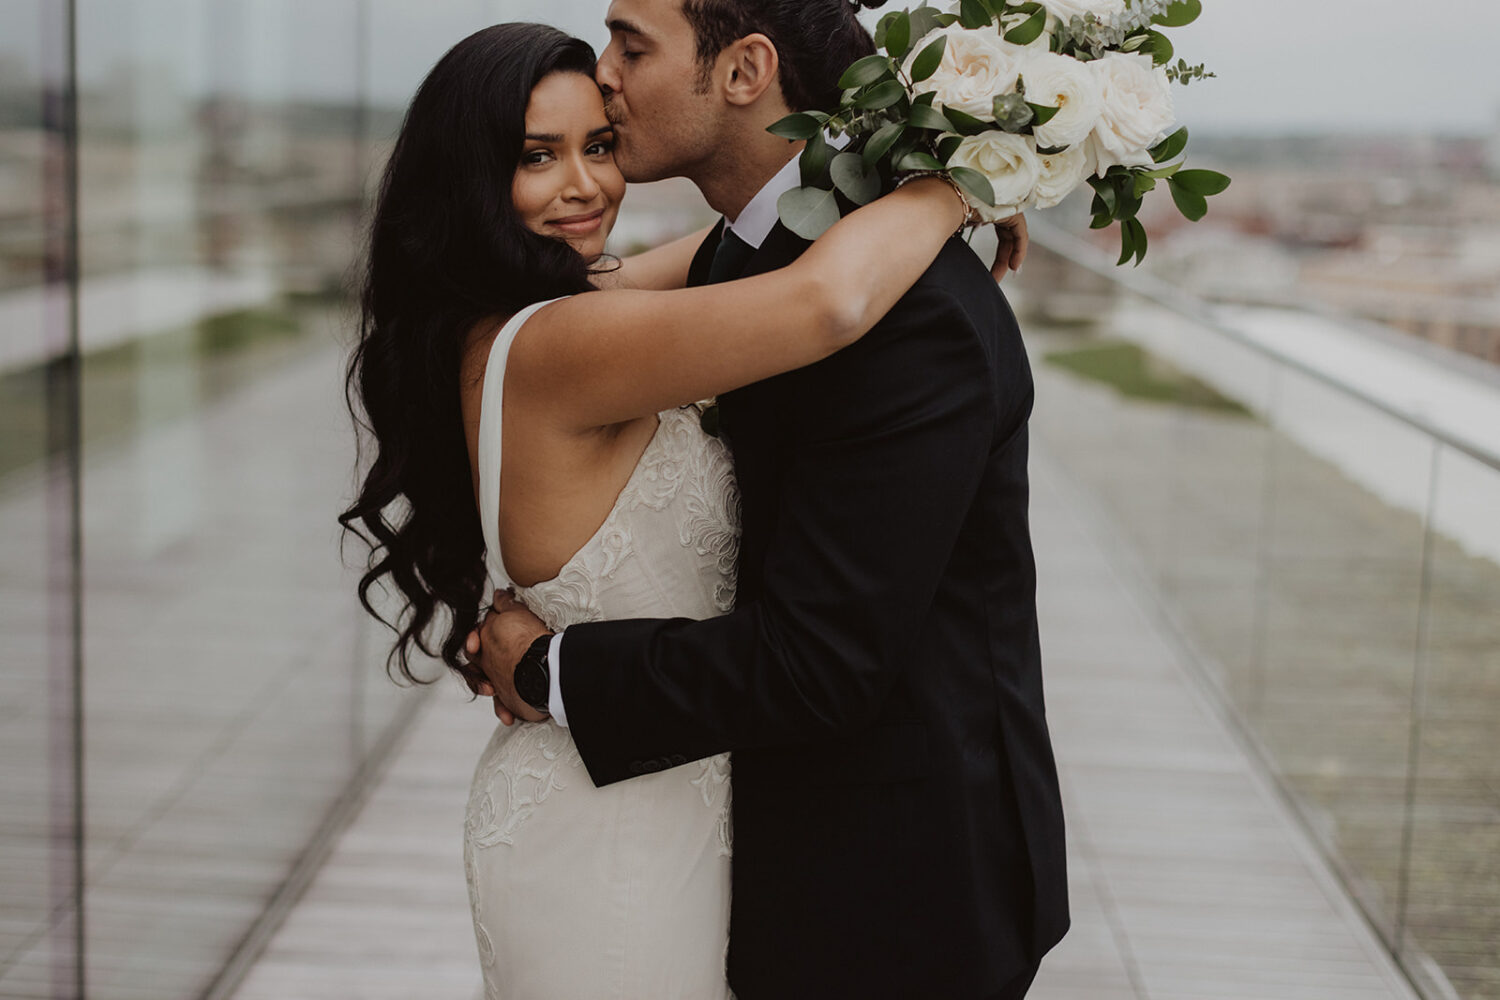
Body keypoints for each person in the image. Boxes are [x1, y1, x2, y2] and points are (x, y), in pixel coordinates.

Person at [340, 17, 1025, 1000]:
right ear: (472, 179)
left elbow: (743, 238)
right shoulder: (560, 348)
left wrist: (890, 165)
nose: (585, 184)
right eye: (537, 157)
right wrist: (959, 182)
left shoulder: (552, 311)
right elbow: (822, 303)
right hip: (607, 834)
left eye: (599, 146)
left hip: (657, 802)